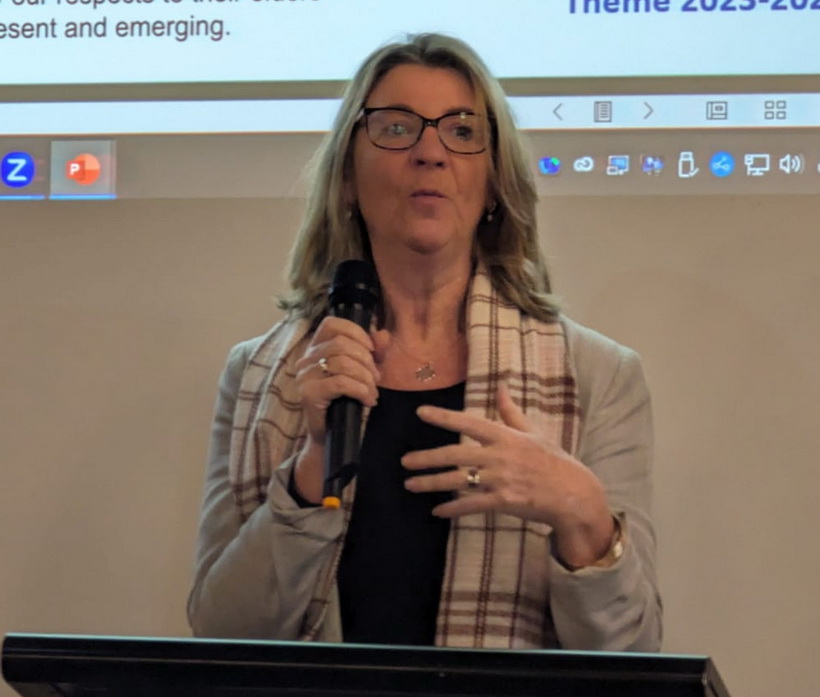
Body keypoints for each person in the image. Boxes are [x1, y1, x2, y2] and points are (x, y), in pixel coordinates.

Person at [187, 33, 662, 651]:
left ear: (494, 185)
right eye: (396, 128)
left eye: (462, 131)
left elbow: (635, 653)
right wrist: (312, 468)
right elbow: (221, 634)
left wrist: (581, 513)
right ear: (347, 178)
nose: (431, 152)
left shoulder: (598, 374)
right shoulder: (260, 374)